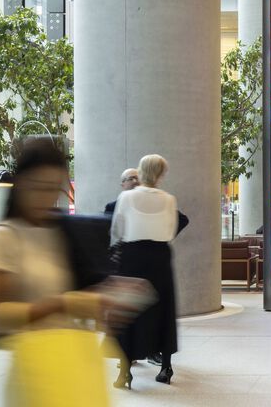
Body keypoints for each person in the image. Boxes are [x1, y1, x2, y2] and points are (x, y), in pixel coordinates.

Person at [0, 137, 124, 407]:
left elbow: (79, 292)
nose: (45, 198)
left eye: (53, 189)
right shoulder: (3, 237)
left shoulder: (63, 231)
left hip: (75, 363)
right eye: (37, 187)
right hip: (35, 370)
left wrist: (104, 299)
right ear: (20, 183)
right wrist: (62, 304)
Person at [110, 153, 188, 386]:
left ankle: (125, 371)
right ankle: (166, 368)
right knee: (163, 309)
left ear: (141, 171)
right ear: (161, 174)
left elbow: (117, 230)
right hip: (159, 257)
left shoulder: (126, 197)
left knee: (127, 311)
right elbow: (170, 231)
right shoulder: (169, 199)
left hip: (131, 257)